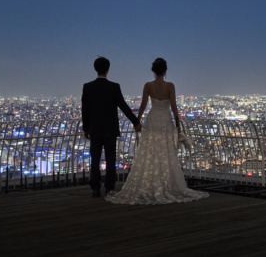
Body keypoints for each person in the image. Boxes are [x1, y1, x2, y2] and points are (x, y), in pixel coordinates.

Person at [107, 57, 208, 205]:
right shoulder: (170, 86)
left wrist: (137, 120)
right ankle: (166, 183)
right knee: (166, 150)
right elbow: (173, 107)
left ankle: (150, 182)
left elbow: (142, 105)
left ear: (153, 71)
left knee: (150, 150)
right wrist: (177, 124)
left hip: (153, 119)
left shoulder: (148, 85)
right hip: (165, 120)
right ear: (165, 71)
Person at [82, 56, 142, 198]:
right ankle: (110, 188)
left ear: (95, 69)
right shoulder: (114, 87)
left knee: (95, 159)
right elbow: (124, 106)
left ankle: (95, 188)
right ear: (108, 69)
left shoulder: (88, 87)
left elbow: (85, 109)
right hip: (110, 129)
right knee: (111, 159)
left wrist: (86, 128)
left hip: (95, 129)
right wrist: (136, 122)